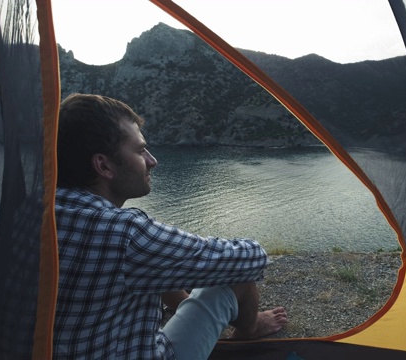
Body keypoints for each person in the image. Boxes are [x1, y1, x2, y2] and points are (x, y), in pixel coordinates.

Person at [54, 93, 287, 359]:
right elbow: (251, 259)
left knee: (153, 265)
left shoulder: (29, 211)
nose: (153, 161)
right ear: (103, 165)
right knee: (239, 278)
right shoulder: (125, 235)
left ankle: (186, 305)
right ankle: (251, 329)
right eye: (141, 151)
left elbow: (140, 261)